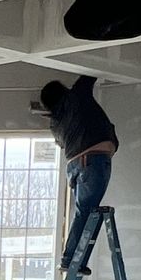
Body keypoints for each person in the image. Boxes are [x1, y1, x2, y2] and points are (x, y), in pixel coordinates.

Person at [36, 76, 118, 269]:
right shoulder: (76, 97)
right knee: (86, 214)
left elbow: (62, 144)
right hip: (92, 161)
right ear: (62, 91)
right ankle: (72, 259)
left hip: (77, 165)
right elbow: (88, 77)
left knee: (85, 213)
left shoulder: (55, 123)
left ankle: (74, 259)